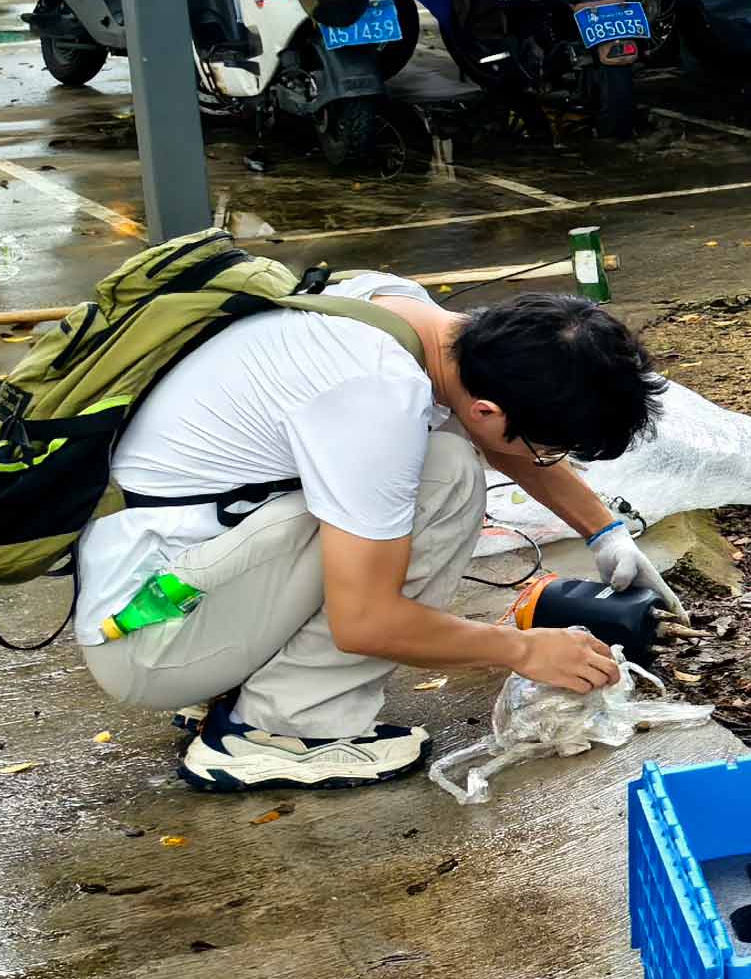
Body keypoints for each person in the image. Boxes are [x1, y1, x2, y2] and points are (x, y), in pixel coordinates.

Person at [79, 285, 668, 790]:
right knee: (445, 473)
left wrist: (605, 533)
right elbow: (366, 621)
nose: (547, 460)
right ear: (488, 409)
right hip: (151, 641)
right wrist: (524, 650)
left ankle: (246, 684)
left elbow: (496, 433)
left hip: (163, 586)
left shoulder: (396, 310)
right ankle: (284, 729)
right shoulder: (374, 400)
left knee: (432, 461)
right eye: (549, 449)